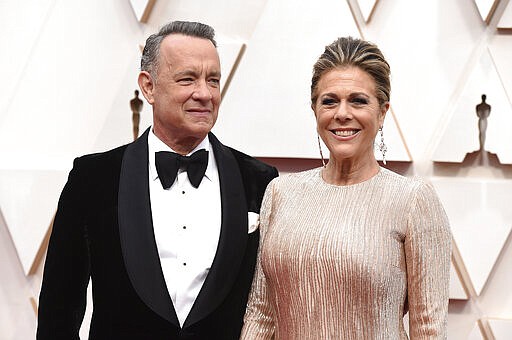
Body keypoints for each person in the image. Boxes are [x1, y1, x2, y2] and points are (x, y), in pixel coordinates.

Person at [37, 21, 278, 339]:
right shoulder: (92, 179)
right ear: (148, 87)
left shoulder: (260, 181)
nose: (204, 93)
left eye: (213, 80)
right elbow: (59, 311)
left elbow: (272, 307)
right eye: (187, 79)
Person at [241, 36, 451, 339]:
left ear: (381, 113)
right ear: (315, 111)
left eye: (358, 100)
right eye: (329, 101)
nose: (342, 113)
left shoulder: (412, 200)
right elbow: (261, 314)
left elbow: (429, 327)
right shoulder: (279, 193)